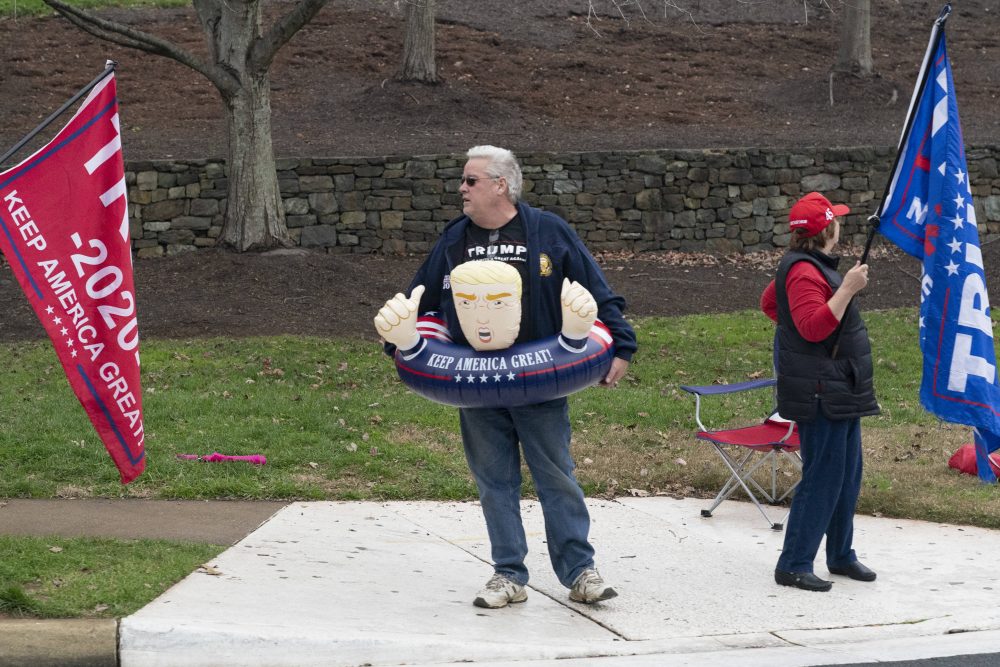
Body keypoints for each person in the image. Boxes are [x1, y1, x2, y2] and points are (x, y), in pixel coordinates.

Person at [380, 145, 637, 608]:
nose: (462, 188)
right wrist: (397, 336)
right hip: (475, 384)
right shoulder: (454, 239)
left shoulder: (548, 231)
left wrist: (623, 343)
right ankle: (508, 575)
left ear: (501, 184)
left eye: (470, 180)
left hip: (540, 380)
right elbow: (419, 296)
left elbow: (596, 290)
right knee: (494, 480)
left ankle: (580, 571)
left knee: (556, 476)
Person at [760, 191, 881, 592]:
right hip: (821, 391)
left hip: (841, 386)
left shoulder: (811, 267)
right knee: (822, 477)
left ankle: (840, 555)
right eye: (838, 220)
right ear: (828, 230)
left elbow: (771, 304)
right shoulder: (803, 272)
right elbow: (812, 326)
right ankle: (793, 563)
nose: (841, 225)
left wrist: (800, 331)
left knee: (847, 475)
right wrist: (845, 290)